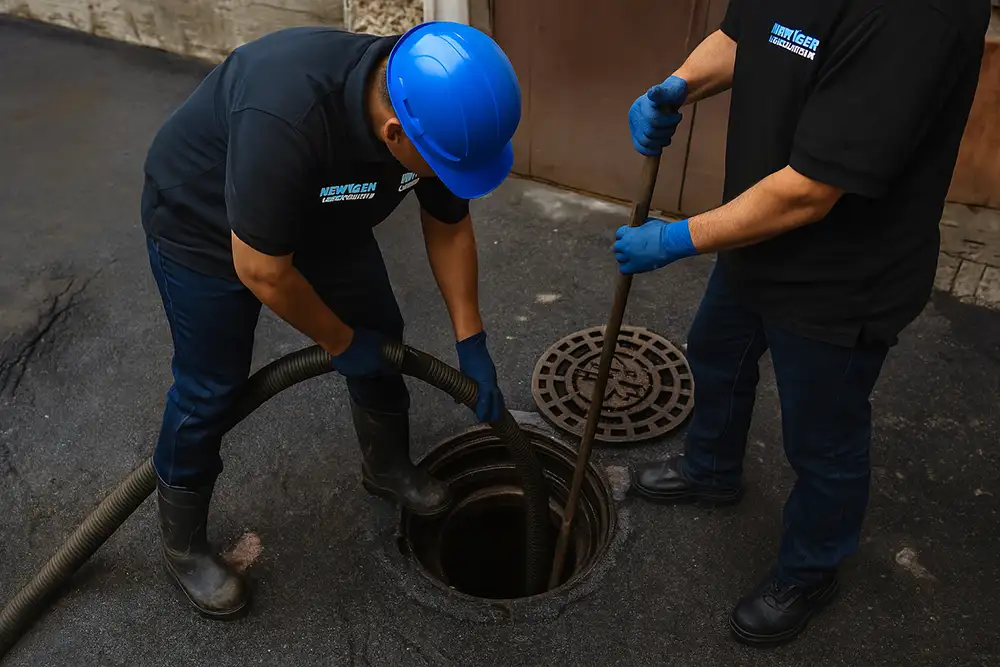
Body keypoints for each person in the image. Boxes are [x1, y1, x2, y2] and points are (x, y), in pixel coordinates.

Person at [615, 0, 990, 645]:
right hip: (758, 234)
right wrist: (678, 83)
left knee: (823, 441)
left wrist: (678, 239)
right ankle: (710, 470)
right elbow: (745, 34)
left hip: (841, 278)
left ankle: (811, 570)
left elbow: (812, 191)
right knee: (716, 351)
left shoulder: (919, 17)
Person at [141, 22, 520, 618]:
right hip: (205, 227)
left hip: (324, 213)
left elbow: (449, 225)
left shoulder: (432, 118)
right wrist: (339, 341)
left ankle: (386, 467)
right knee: (210, 385)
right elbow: (263, 271)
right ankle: (183, 547)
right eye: (445, 166)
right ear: (394, 133)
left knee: (381, 333)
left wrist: (470, 338)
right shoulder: (286, 115)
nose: (450, 178)